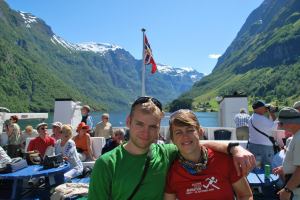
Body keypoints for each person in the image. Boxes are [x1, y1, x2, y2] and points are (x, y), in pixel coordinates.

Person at [88, 96, 255, 200]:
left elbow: (194, 145)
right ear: (128, 122)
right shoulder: (107, 164)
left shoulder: (166, 153)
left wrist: (235, 149)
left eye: (153, 126)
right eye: (139, 124)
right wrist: (234, 148)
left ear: (159, 128)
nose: (145, 132)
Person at [165, 109, 253, 200]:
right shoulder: (172, 172)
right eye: (178, 132)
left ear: (200, 132)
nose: (185, 136)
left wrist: (235, 148)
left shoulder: (224, 160)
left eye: (190, 130)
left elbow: (245, 195)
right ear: (173, 139)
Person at [272, 107, 300, 200]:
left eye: (281, 123)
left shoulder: (298, 139)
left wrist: (287, 190)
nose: (280, 126)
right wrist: (284, 168)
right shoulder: (295, 137)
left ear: (291, 123)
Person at [248, 100, 276, 167]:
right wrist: (272, 113)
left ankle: (258, 176)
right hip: (265, 148)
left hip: (254, 146)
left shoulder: (251, 118)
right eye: (264, 107)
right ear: (259, 108)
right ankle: (267, 177)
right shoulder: (261, 119)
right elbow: (276, 126)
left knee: (257, 166)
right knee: (267, 166)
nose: (266, 109)